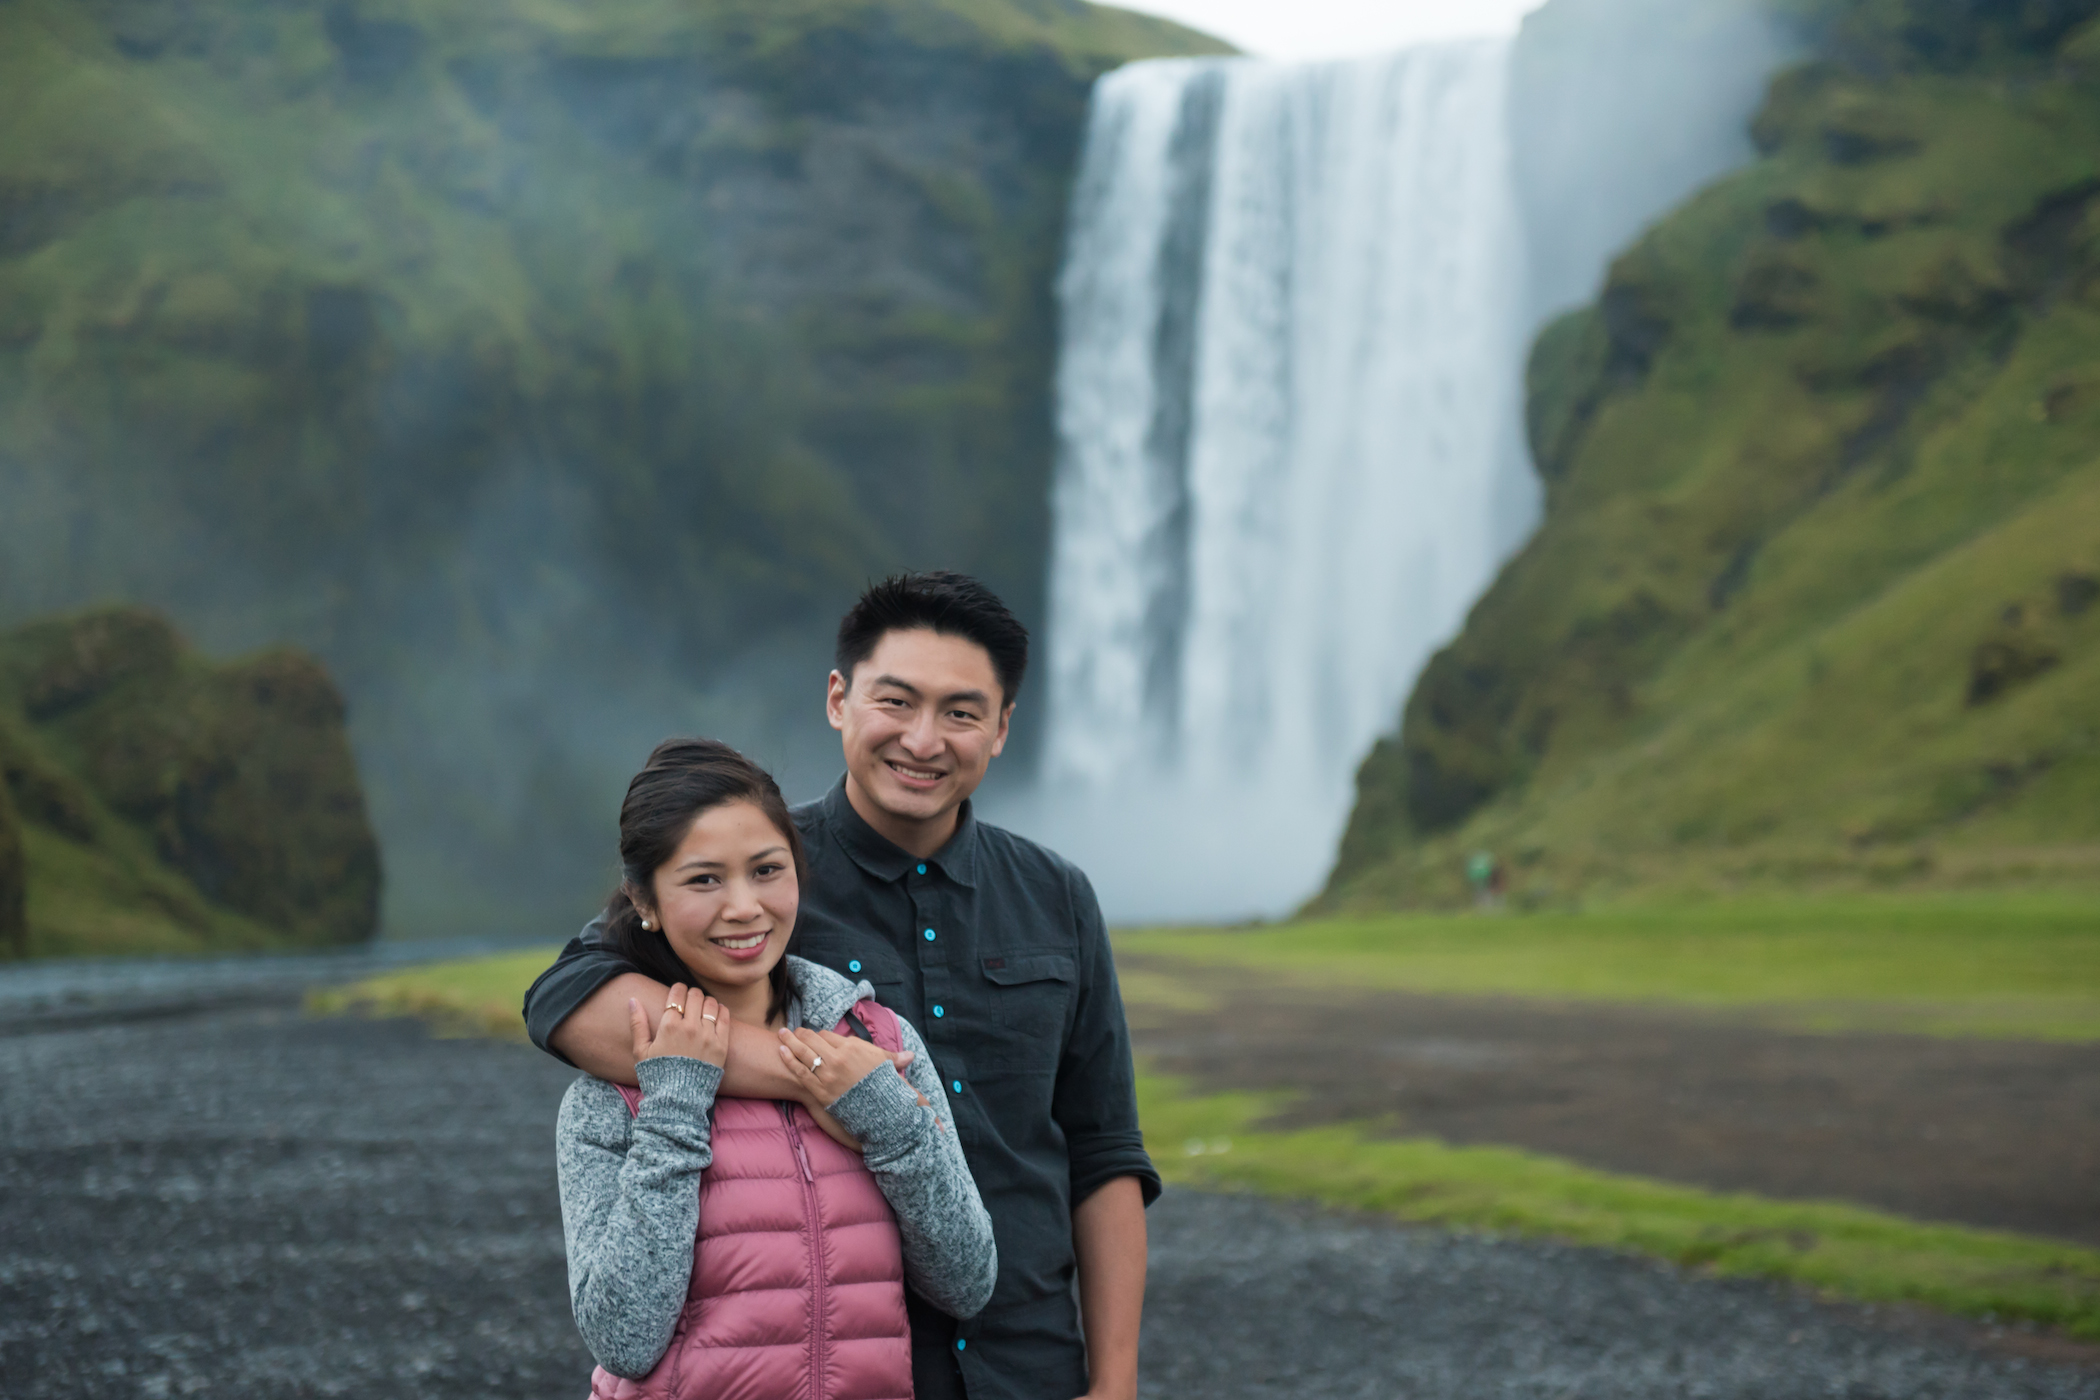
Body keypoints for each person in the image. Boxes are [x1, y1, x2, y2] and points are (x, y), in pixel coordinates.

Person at [526, 572, 1158, 1400]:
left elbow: (1103, 1153)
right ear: (838, 699)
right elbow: (567, 1001)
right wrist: (824, 1074)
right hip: (848, 1365)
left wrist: (1115, 1384)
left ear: (1003, 727)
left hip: (1029, 1356)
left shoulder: (1058, 896)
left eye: (962, 712)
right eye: (896, 702)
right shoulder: (758, 879)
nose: (923, 741)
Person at [556, 737, 997, 1398]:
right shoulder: (614, 1089)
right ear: (644, 901)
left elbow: (967, 1282)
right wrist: (674, 1106)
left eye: (767, 870)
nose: (744, 907)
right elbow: (624, 1337)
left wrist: (892, 1124)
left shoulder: (880, 1043)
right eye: (704, 879)